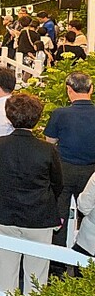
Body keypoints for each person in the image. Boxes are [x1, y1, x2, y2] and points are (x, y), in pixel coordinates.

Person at [0, 93, 63, 296]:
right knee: (37, 271)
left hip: (6, 214)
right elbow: (57, 184)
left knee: (6, 267)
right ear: (37, 117)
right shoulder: (47, 149)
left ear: (9, 116)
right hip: (39, 216)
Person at [43, 72, 95, 262]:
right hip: (91, 172)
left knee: (59, 217)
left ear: (68, 90)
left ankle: (57, 264)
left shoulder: (60, 113)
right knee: (89, 216)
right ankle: (85, 265)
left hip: (63, 170)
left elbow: (49, 143)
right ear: (91, 89)